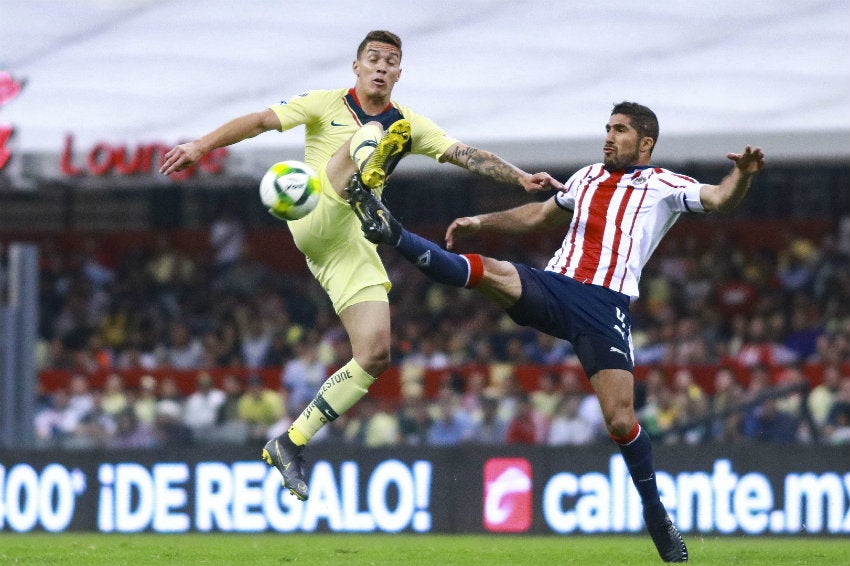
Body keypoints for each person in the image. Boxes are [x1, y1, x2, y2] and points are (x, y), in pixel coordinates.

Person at [349, 101, 766, 563]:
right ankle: (392, 230)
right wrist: (480, 222)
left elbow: (720, 198)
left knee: (621, 421)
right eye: (607, 128)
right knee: (486, 271)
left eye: (621, 130)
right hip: (554, 285)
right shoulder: (586, 177)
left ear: (645, 143)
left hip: (604, 304)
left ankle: (655, 513)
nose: (609, 137)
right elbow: (540, 215)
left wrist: (744, 175)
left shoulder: (665, 185)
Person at [159, 30, 560, 501]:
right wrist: (201, 146)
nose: (382, 67)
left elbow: (465, 154)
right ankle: (365, 189)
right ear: (356, 66)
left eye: (391, 61)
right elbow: (260, 121)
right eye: (374, 58)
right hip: (312, 209)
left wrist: (519, 177)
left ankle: (290, 442)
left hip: (350, 242)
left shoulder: (410, 120)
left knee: (374, 353)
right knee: (373, 135)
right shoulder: (326, 103)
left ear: (399, 73)